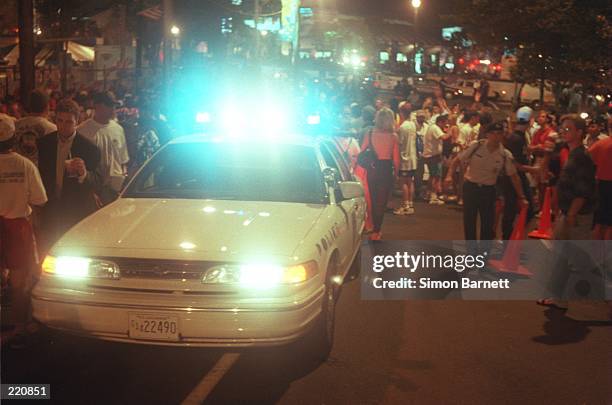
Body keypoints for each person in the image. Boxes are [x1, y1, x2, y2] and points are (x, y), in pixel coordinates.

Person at [537, 115, 596, 310]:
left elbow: (583, 190)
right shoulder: (570, 153)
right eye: (563, 128)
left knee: (574, 259)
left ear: (580, 132)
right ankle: (557, 296)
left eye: (569, 129)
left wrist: (571, 215)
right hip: (568, 212)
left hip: (576, 215)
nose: (564, 132)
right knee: (562, 256)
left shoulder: (581, 157)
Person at [0, 113, 48, 347]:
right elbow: (40, 199)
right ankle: (18, 327)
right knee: (19, 281)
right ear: (14, 139)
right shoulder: (25, 165)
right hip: (18, 227)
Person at [445, 122, 528, 255]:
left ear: (502, 136)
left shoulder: (505, 154)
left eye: (499, 134)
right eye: (493, 134)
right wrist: (449, 176)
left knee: (487, 224)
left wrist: (521, 196)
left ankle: (484, 255)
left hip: (488, 191)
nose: (496, 137)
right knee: (469, 222)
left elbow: (514, 176)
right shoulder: (476, 146)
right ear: (487, 134)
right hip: (471, 187)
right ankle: (471, 253)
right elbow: (457, 160)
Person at [37, 99, 101, 248]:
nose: (63, 126)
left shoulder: (89, 148)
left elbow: (98, 181)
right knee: (48, 249)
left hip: (75, 209)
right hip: (50, 207)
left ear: (77, 122)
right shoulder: (44, 143)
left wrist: (84, 174)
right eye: (60, 121)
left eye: (68, 122)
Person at [77, 91, 129, 204]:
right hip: (95, 190)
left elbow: (123, 160)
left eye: (114, 106)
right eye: (110, 106)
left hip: (116, 190)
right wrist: (90, 192)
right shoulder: (83, 131)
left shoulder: (118, 129)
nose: (113, 109)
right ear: (98, 106)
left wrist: (123, 180)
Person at [359, 107, 400, 240]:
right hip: (385, 169)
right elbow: (396, 160)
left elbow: (361, 151)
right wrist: (396, 174)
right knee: (381, 203)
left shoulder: (370, 133)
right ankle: (377, 231)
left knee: (371, 198)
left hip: (372, 169)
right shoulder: (393, 137)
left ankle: (369, 225)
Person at [14, 90, 57, 165]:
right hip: (41, 173)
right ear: (47, 107)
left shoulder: (15, 125)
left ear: (29, 106)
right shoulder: (52, 129)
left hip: (17, 170)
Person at [394, 103, 417, 215]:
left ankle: (405, 205)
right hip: (413, 158)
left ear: (401, 112)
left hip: (405, 158)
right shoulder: (412, 124)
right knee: (410, 181)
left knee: (403, 182)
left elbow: (400, 142)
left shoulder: (403, 127)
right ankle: (410, 204)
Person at [423, 115, 452, 204]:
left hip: (431, 155)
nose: (445, 125)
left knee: (432, 176)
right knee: (436, 176)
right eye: (445, 123)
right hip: (433, 156)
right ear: (440, 122)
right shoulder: (435, 128)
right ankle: (433, 196)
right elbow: (444, 137)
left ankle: (428, 194)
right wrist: (451, 131)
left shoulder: (433, 127)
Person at [588, 135, 612, 240]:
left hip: (601, 184)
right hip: (608, 184)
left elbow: (587, 156)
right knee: (610, 224)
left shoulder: (602, 143)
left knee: (599, 220)